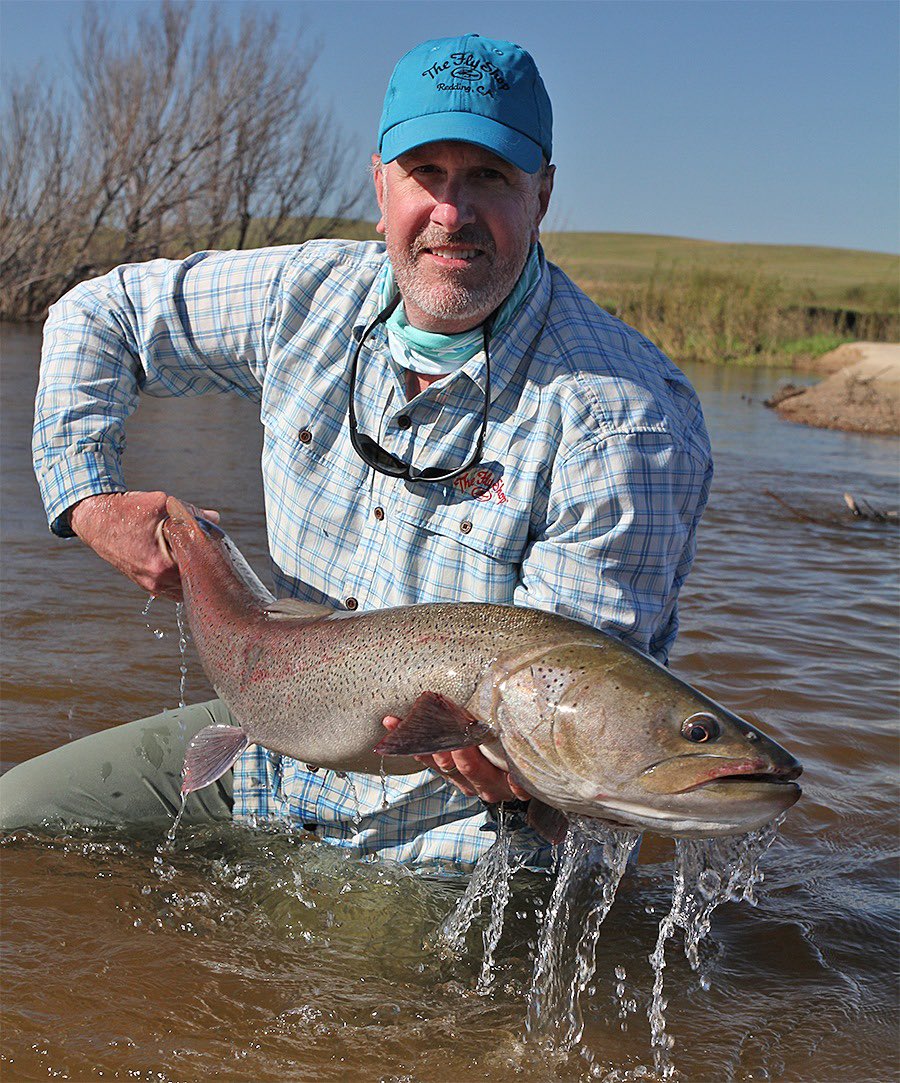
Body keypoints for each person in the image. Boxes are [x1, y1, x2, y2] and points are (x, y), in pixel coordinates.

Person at [2, 34, 712, 869]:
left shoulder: (628, 423)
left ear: (543, 194)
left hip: (448, 832)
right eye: (426, 173)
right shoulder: (305, 294)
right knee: (14, 819)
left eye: (489, 175)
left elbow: (573, 722)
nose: (453, 212)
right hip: (268, 737)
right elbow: (96, 314)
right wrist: (89, 498)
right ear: (380, 183)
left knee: (315, 991)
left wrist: (525, 770)